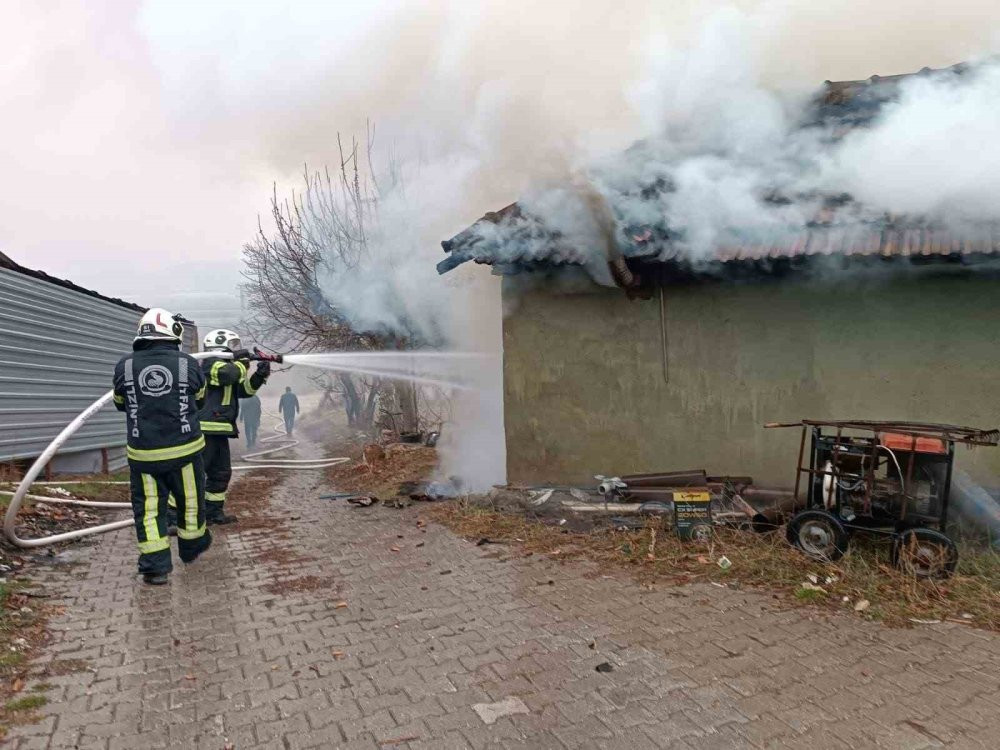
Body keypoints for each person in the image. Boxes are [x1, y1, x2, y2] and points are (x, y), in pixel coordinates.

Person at [112, 308, 212, 585]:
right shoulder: (188, 364)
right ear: (172, 333)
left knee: (148, 511)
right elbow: (200, 400)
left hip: (143, 455)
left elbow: (120, 403)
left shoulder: (124, 365)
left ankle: (155, 568)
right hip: (185, 452)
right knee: (190, 502)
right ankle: (192, 549)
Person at [197, 329, 270, 524]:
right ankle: (173, 517)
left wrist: (259, 375)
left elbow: (244, 391)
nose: (236, 349)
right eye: (233, 344)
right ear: (221, 345)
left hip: (219, 429)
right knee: (194, 475)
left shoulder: (229, 367)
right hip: (206, 428)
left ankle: (213, 513)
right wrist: (242, 363)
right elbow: (228, 375)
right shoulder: (210, 364)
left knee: (221, 473)